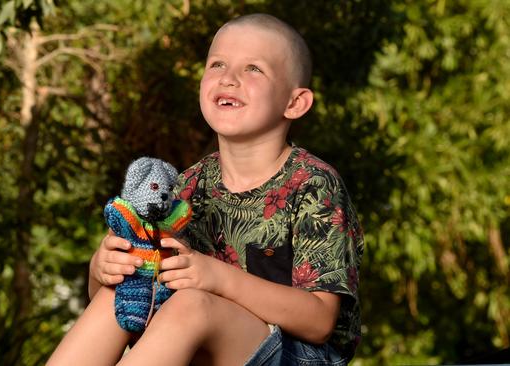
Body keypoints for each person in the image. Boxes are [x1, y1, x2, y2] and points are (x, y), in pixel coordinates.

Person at [46, 13, 364, 366]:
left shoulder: (313, 185)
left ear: (295, 103)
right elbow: (132, 301)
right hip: (206, 342)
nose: (229, 78)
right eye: (217, 64)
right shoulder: (185, 186)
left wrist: (216, 278)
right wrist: (102, 270)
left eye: (253, 69)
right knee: (123, 289)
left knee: (193, 302)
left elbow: (320, 321)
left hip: (299, 356)